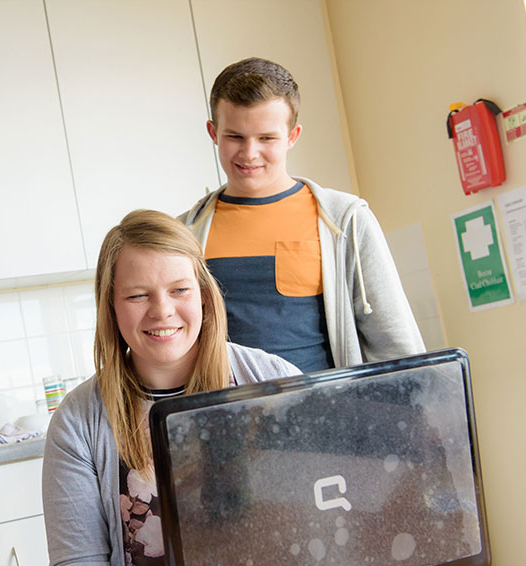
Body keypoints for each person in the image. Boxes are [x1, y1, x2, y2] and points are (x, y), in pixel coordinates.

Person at [42, 210, 300, 566]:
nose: (162, 310)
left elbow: (314, 517)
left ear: (204, 295)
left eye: (179, 290)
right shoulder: (78, 422)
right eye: (138, 295)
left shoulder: (273, 380)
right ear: (111, 305)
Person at [180, 57, 424, 373]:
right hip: (226, 404)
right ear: (213, 133)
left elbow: (395, 343)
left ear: (292, 136)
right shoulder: (183, 234)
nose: (249, 153)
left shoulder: (345, 220)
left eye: (267, 138)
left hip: (327, 403)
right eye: (235, 137)